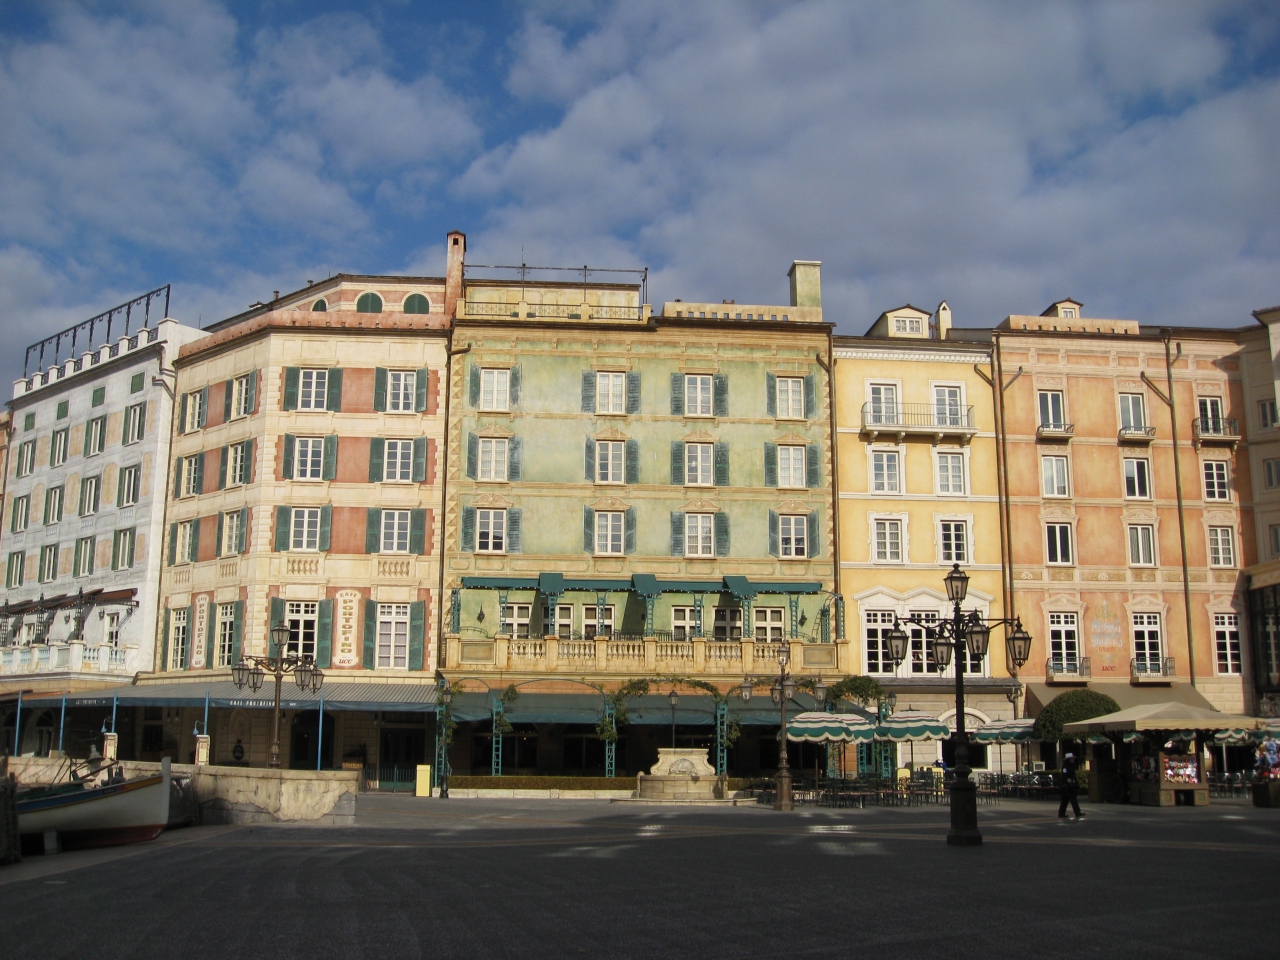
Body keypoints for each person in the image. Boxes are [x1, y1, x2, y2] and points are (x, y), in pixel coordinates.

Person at [1058, 752, 1085, 819]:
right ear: (1069, 759)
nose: (1073, 760)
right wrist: (1065, 784)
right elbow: (1064, 776)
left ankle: (1062, 813)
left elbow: (1073, 776)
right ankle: (1077, 812)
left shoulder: (1071, 766)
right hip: (1067, 786)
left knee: (1065, 800)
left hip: (1071, 785)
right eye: (1072, 759)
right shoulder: (1065, 766)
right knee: (1072, 799)